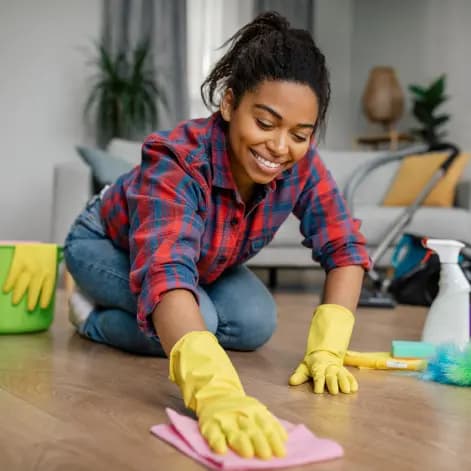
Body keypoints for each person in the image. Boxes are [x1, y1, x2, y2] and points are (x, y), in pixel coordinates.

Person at [64, 11, 371, 460]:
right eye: (265, 124)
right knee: (199, 319)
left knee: (256, 322)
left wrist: (329, 347)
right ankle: (89, 316)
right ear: (229, 105)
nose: (280, 148)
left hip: (202, 265)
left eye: (300, 134)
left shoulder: (300, 165)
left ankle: (178, 314)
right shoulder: (179, 161)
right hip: (104, 244)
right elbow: (166, 271)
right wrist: (215, 392)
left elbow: (344, 248)